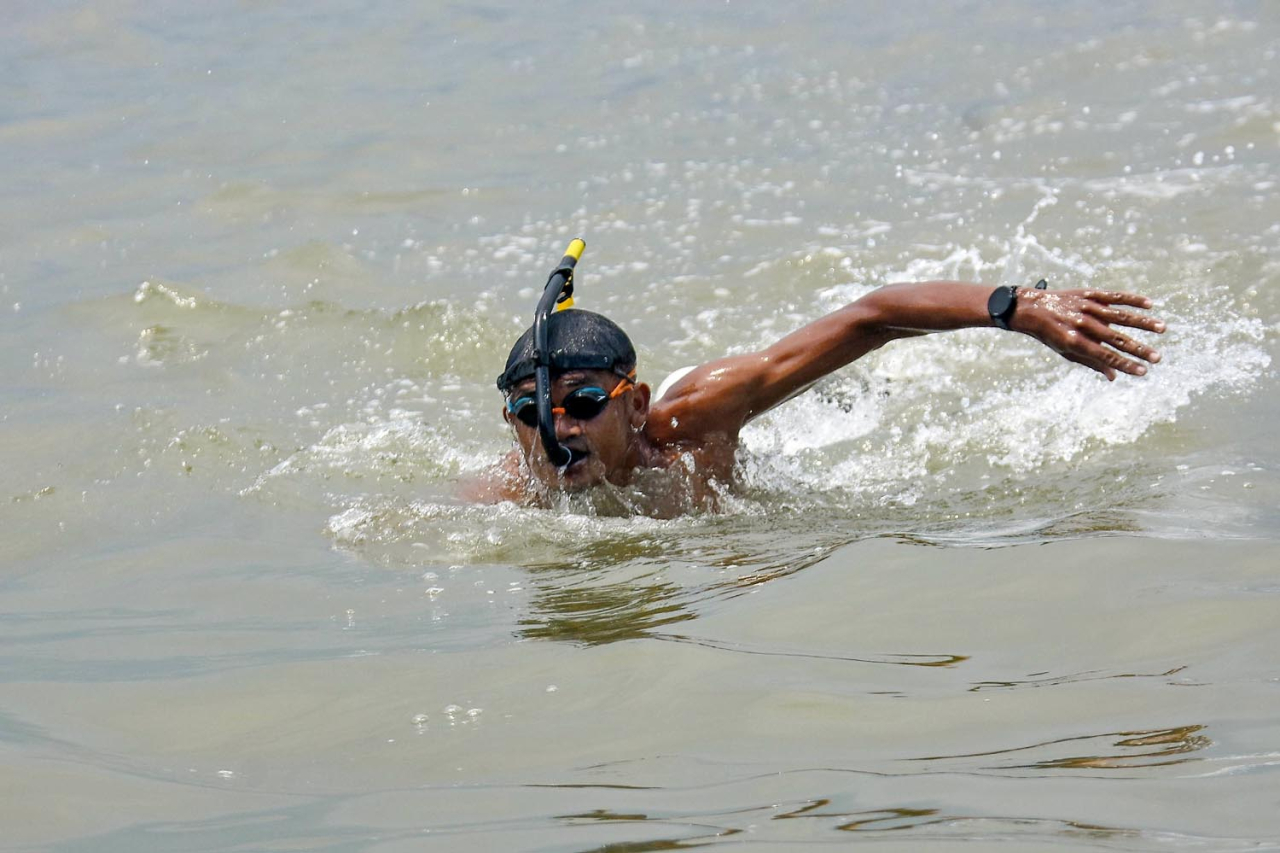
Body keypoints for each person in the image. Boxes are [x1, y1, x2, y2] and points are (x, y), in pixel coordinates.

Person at [466, 272, 1165, 510]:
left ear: (633, 403)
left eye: (583, 404)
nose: (556, 432)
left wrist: (1012, 306)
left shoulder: (694, 416)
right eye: (530, 414)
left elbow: (870, 317)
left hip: (716, 409)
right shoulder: (513, 494)